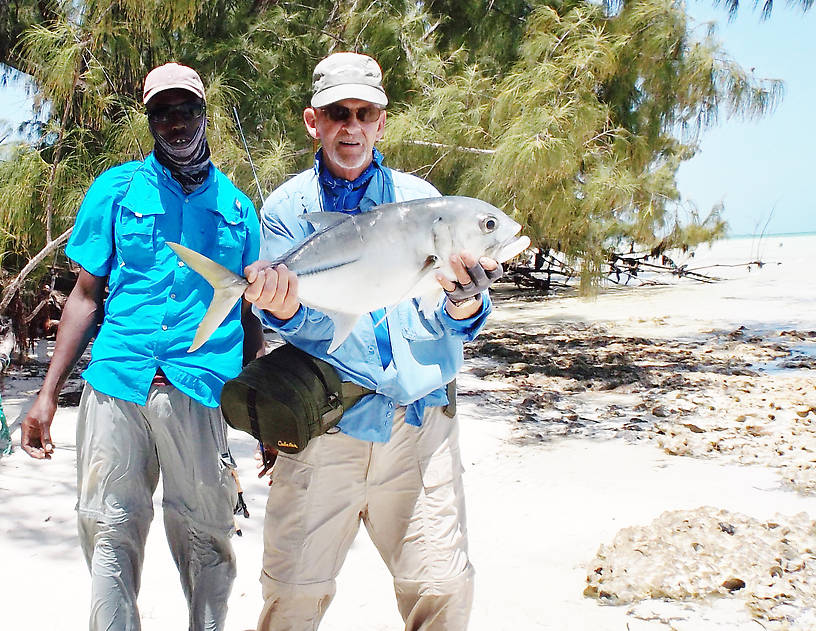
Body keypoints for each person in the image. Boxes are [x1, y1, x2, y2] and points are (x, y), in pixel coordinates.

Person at [243, 52, 503, 631]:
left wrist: (465, 302)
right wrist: (287, 312)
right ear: (315, 121)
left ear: (382, 121)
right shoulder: (286, 209)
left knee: (441, 590)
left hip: (419, 427)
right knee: (290, 597)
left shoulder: (424, 202)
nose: (351, 127)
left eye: (365, 113)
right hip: (324, 430)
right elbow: (303, 325)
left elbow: (447, 317)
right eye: (339, 113)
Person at [20, 62, 263, 631]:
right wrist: (46, 395)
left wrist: (257, 407)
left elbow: (250, 318)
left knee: (207, 536)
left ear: (205, 115)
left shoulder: (239, 208)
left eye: (187, 109)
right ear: (149, 120)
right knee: (109, 529)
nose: (176, 122)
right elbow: (84, 295)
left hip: (201, 390)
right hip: (115, 385)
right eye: (162, 111)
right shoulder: (115, 190)